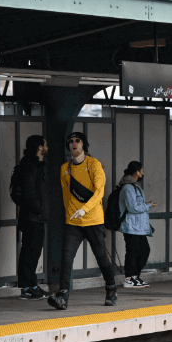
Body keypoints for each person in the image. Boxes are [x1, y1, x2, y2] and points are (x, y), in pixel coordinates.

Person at [48, 132, 117, 310]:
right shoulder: (65, 168)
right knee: (66, 258)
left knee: (101, 257)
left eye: (77, 141)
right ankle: (62, 295)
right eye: (71, 141)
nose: (74, 144)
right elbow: (65, 195)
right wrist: (70, 214)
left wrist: (84, 209)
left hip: (93, 220)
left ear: (84, 144)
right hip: (74, 223)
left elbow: (99, 192)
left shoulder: (94, 165)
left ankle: (111, 288)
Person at [16, 135, 49, 300]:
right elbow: (29, 193)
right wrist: (40, 209)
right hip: (33, 217)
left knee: (31, 253)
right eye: (46, 145)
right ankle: (27, 287)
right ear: (40, 147)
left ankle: (31, 285)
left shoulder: (33, 165)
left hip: (33, 217)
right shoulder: (31, 166)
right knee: (30, 253)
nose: (48, 148)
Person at [118, 161, 157, 288]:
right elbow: (133, 207)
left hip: (139, 227)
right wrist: (148, 205)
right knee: (132, 252)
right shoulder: (128, 187)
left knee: (144, 250)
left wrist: (145, 204)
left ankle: (135, 276)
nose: (143, 173)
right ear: (137, 172)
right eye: (142, 170)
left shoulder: (135, 186)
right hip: (131, 226)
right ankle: (129, 278)